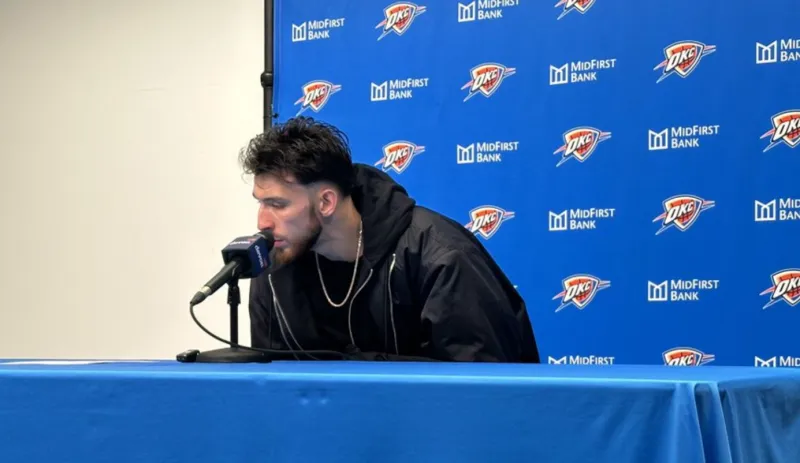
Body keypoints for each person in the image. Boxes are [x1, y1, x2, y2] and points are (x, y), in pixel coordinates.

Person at [240, 116, 539, 363]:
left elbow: (482, 389)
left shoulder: (441, 257)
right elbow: (274, 390)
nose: (262, 222)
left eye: (277, 205)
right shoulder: (276, 265)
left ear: (326, 202)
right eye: (261, 203)